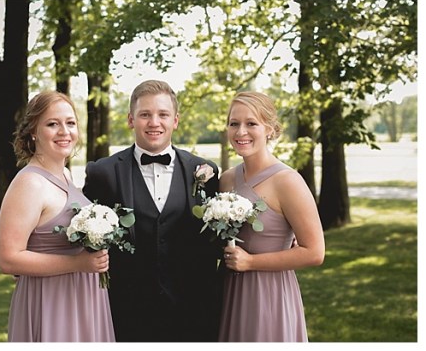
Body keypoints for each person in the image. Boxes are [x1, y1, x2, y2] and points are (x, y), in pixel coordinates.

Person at [83, 80, 222, 341]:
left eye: (163, 114)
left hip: (194, 311)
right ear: (130, 120)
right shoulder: (103, 173)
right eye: (145, 114)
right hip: (126, 313)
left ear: (176, 120)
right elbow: (80, 229)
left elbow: (220, 233)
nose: (154, 122)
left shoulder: (205, 171)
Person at [0, 91, 114, 342]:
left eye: (70, 123)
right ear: (33, 132)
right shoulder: (29, 183)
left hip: (84, 298)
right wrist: (79, 264)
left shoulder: (67, 176)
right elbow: (7, 259)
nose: (64, 131)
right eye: (52, 124)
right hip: (50, 302)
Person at [218, 91, 324, 342]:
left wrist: (250, 263)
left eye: (251, 123)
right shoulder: (226, 179)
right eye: (234, 123)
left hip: (270, 295)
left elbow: (315, 252)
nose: (241, 131)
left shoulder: (288, 182)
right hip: (229, 292)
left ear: (270, 129)